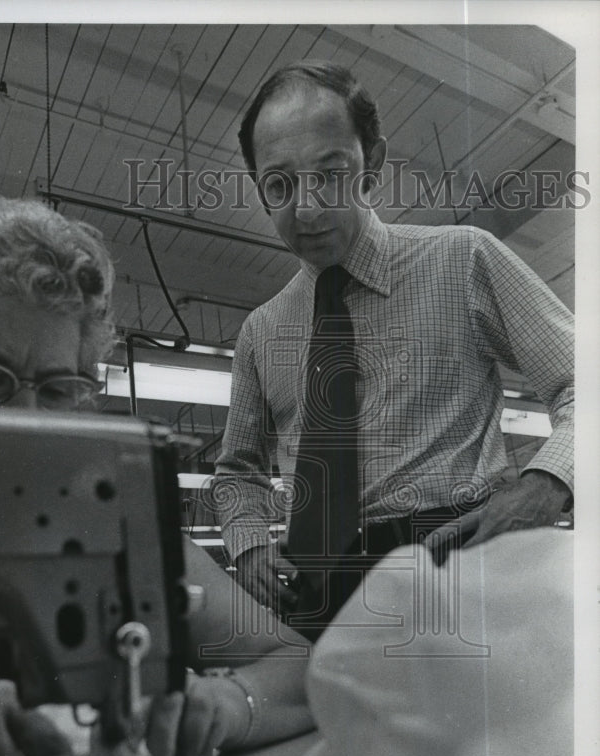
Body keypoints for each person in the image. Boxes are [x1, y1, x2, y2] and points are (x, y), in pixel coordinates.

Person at [0, 194, 311, 756]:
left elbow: (294, 663)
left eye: (57, 390)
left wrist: (230, 704)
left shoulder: (119, 529)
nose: (26, 422)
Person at [214, 61, 573, 628]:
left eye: (331, 172)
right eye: (278, 184)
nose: (306, 210)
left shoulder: (463, 260)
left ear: (372, 162)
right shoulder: (262, 330)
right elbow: (238, 468)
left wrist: (546, 484)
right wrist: (249, 541)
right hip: (315, 593)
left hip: (455, 565)